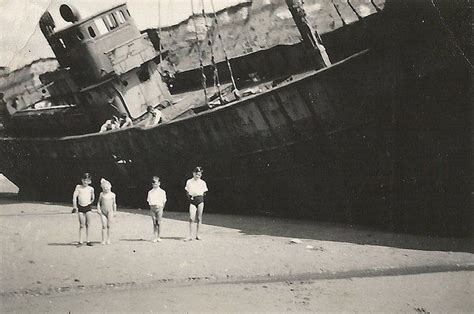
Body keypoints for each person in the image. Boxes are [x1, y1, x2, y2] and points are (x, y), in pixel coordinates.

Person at [184, 167, 208, 241]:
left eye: (199, 175)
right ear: (193, 173)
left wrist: (200, 196)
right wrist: (190, 197)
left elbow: (205, 192)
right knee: (191, 218)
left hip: (200, 200)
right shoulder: (189, 181)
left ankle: (198, 235)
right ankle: (190, 235)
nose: (198, 176)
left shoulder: (203, 182)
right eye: (197, 174)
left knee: (199, 218)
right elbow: (187, 191)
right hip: (192, 201)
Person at [72, 173, 95, 246]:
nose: (86, 182)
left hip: (88, 207)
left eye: (88, 180)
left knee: (88, 224)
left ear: (90, 181)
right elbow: (74, 197)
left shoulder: (91, 188)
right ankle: (80, 241)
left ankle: (88, 240)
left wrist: (90, 203)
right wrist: (75, 206)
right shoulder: (78, 187)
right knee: (82, 225)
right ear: (82, 180)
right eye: (85, 180)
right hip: (80, 207)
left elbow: (93, 197)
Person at [147, 176, 167, 242]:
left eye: (156, 183)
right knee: (154, 222)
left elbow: (164, 201)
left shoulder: (162, 192)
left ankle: (159, 236)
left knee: (159, 222)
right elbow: (149, 201)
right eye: (153, 184)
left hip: (159, 208)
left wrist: (161, 208)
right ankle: (155, 237)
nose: (154, 185)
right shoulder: (150, 192)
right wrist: (152, 207)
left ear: (159, 183)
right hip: (152, 208)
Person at [97, 178, 116, 245]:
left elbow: (114, 203)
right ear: (102, 188)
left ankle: (108, 239)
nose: (106, 189)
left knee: (109, 226)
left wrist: (115, 212)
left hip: (110, 212)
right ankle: (103, 239)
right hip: (103, 212)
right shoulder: (101, 194)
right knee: (104, 226)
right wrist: (98, 209)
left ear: (110, 187)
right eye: (104, 188)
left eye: (107, 188)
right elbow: (99, 202)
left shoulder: (113, 195)